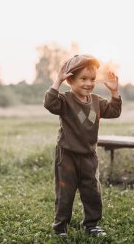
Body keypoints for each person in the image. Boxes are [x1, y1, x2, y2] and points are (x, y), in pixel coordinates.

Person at [43, 54, 122, 237]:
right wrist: (57, 80)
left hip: (88, 155)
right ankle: (60, 226)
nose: (88, 83)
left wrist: (114, 93)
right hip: (67, 154)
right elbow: (49, 103)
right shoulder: (65, 100)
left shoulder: (96, 102)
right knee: (65, 192)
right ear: (70, 80)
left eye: (92, 79)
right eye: (83, 79)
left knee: (92, 191)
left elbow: (114, 111)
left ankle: (91, 224)